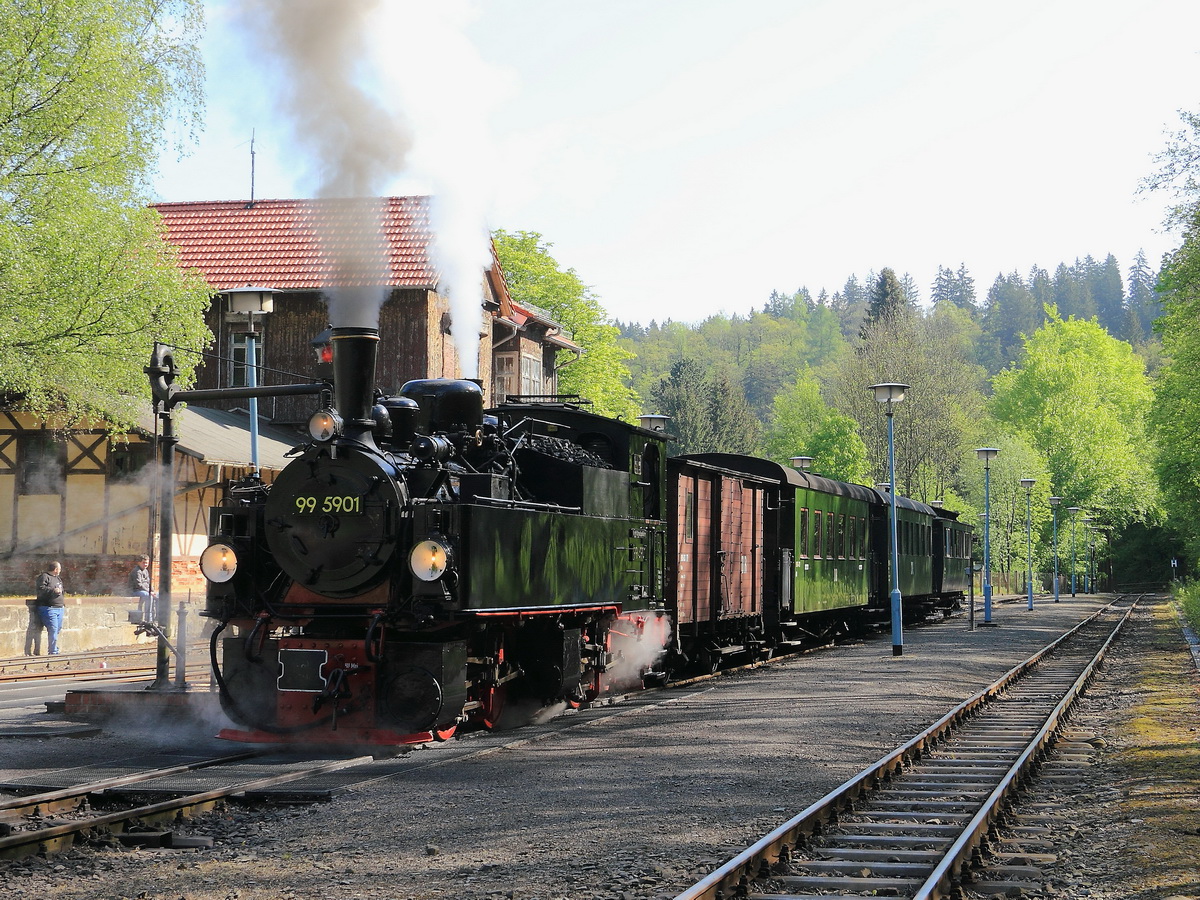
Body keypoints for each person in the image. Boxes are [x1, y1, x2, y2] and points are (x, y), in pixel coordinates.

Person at [35, 561, 65, 655]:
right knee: (53, 628)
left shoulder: (57, 578)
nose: (60, 571)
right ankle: (53, 651)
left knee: (58, 628)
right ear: (56, 569)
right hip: (49, 608)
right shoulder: (44, 577)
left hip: (59, 607)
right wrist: (53, 590)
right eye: (59, 569)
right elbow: (41, 589)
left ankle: (54, 647)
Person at [128, 554, 156, 622]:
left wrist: (153, 591)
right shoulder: (137, 571)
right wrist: (149, 592)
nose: (145, 564)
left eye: (147, 563)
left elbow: (148, 583)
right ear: (139, 562)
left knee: (157, 595)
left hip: (144, 590)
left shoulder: (146, 571)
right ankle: (148, 618)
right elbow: (139, 585)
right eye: (144, 563)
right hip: (135, 590)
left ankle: (156, 616)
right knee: (148, 596)